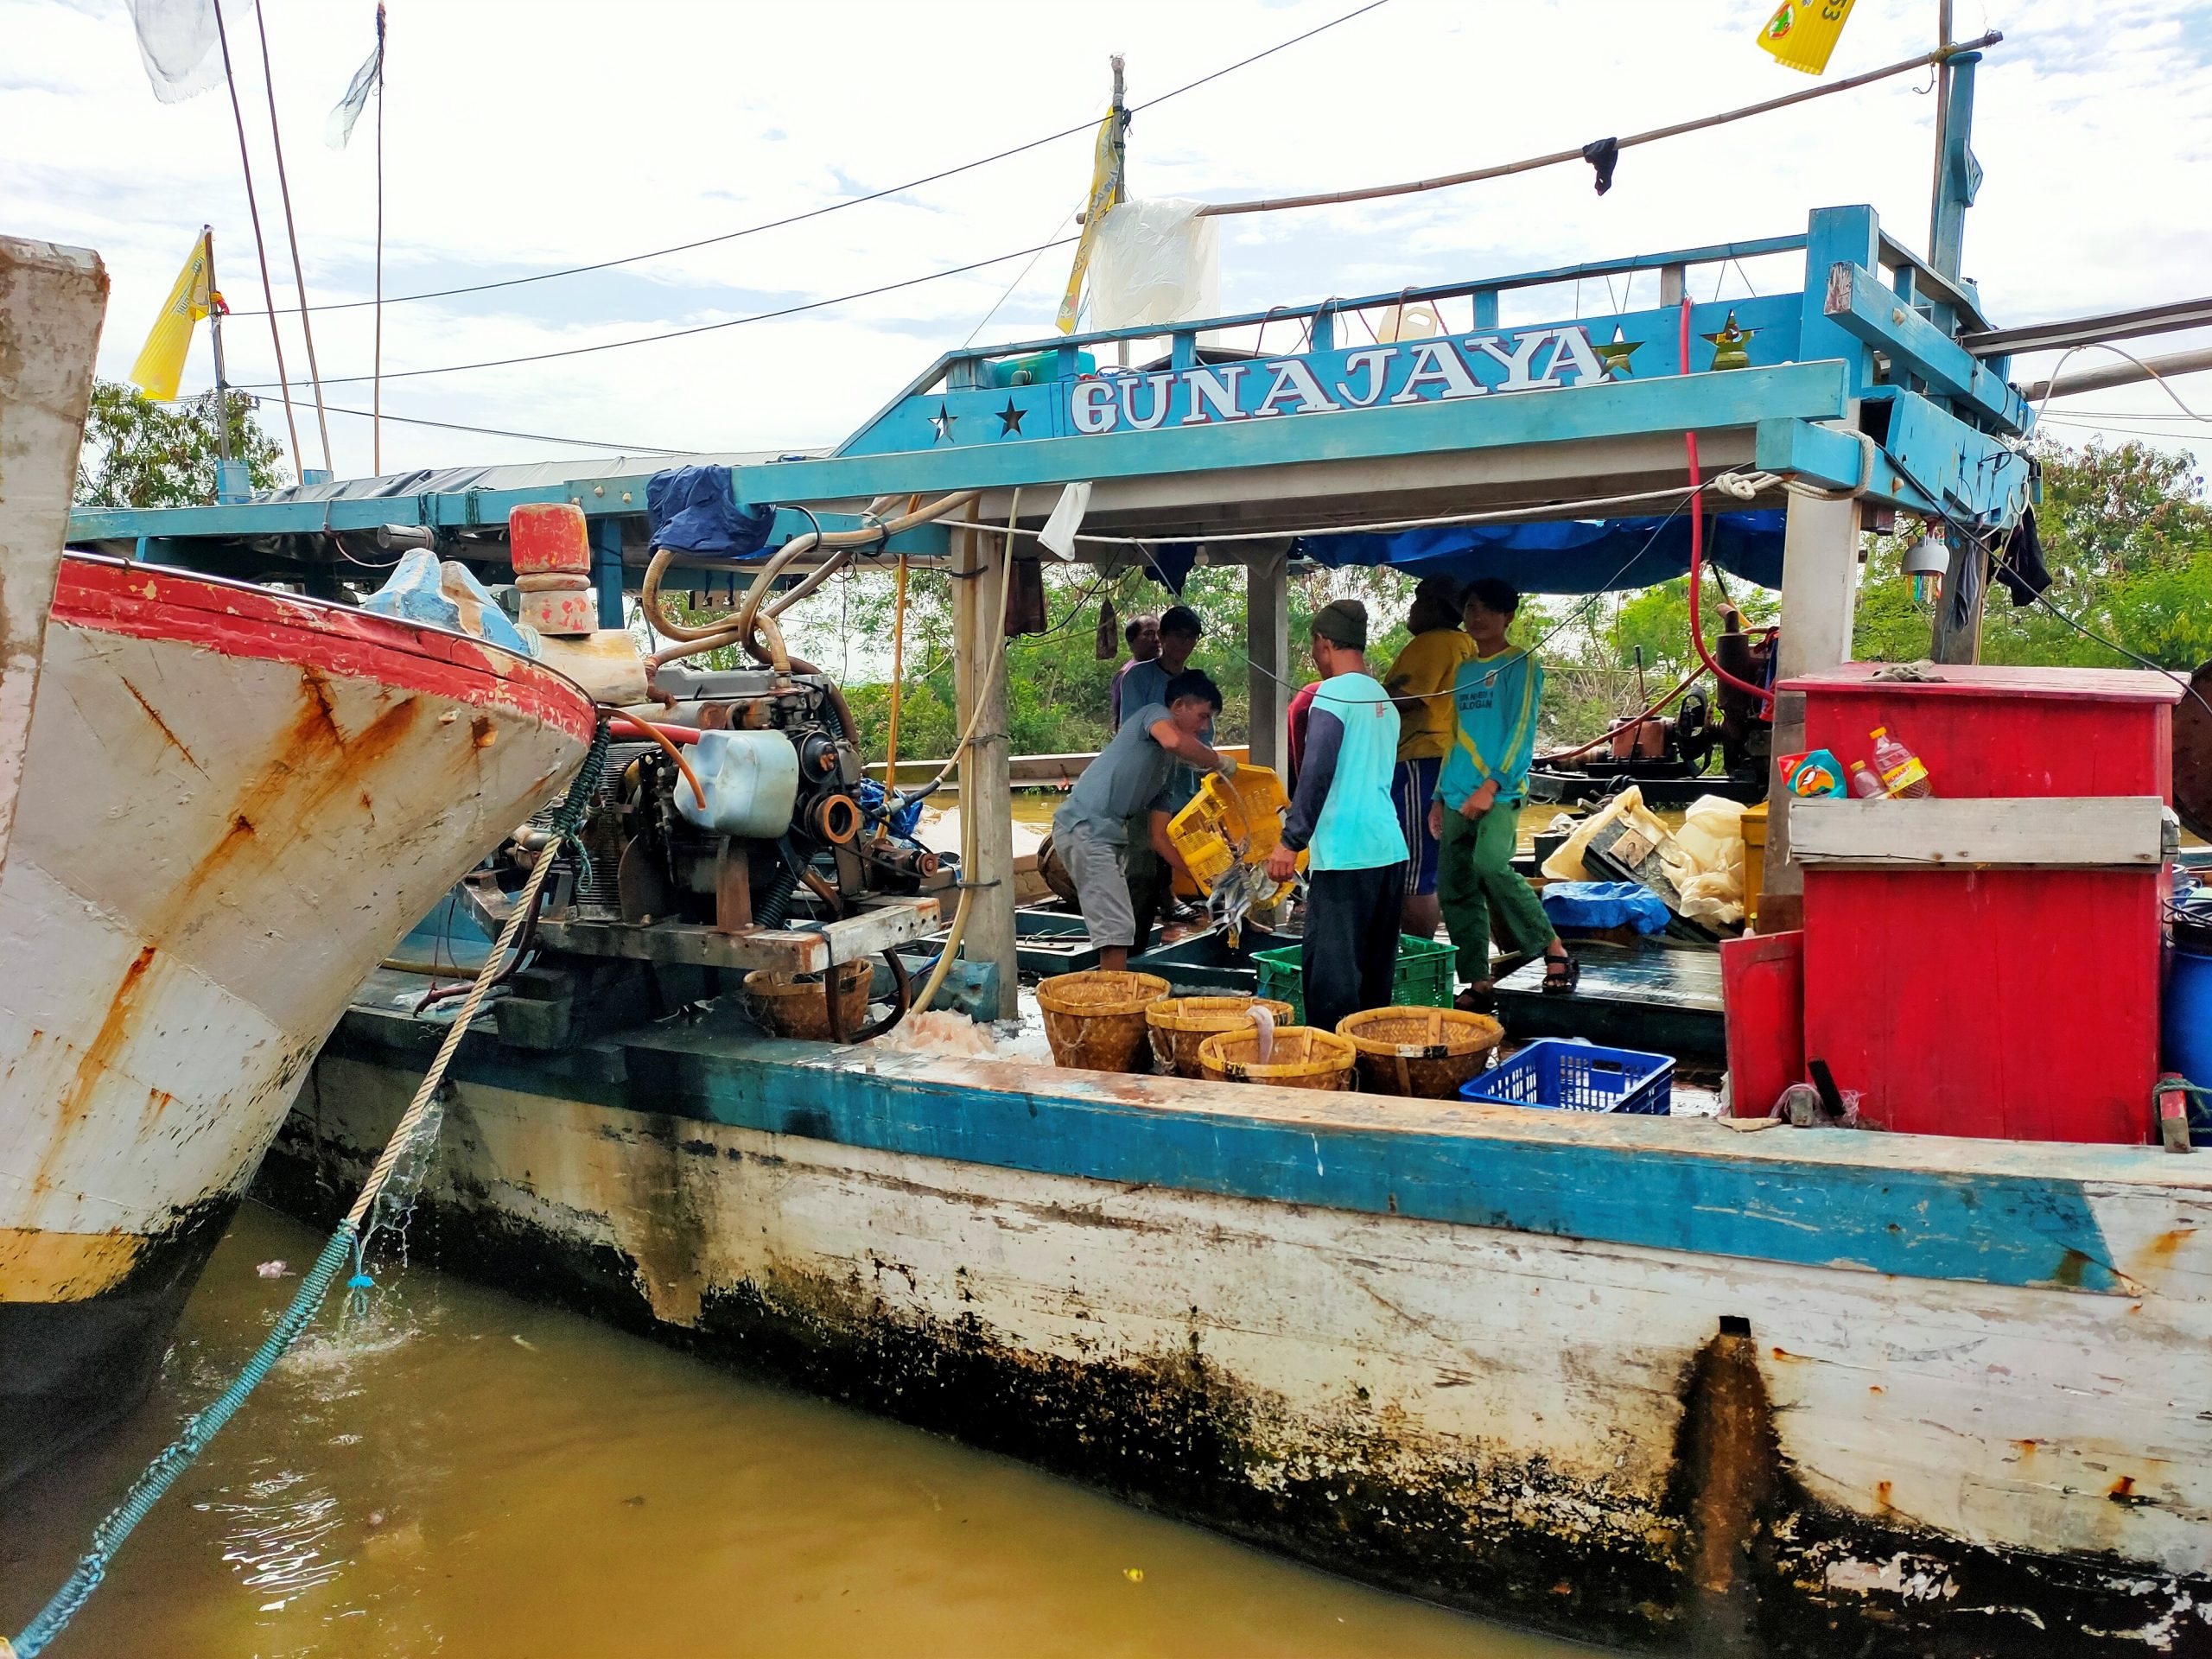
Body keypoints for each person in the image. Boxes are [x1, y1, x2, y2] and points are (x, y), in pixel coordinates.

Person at [1427, 578, 1575, 1007]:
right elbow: (1454, 735)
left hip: (1500, 791)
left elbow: (1521, 731)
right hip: (1455, 792)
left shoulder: (1522, 664)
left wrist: (1492, 785)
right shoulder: (1465, 671)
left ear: (1508, 616)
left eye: (1487, 610)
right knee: (1455, 887)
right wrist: (1438, 796)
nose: (1477, 618)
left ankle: (1553, 948)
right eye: (1471, 609)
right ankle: (1478, 981)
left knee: (1491, 867)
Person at [1265, 601, 1408, 1035]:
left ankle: (1337, 1072)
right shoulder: (1383, 697)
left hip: (1346, 854)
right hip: (1389, 850)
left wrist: (1291, 841)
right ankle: (1372, 1066)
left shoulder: (1333, 693)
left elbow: (1317, 770)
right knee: (1374, 976)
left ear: (1324, 644)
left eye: (1314, 647)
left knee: (1332, 979)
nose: (1314, 656)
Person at [1053, 671, 1235, 973]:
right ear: (1178, 706)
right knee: (1117, 929)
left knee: (1119, 925)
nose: (1204, 727)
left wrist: (1204, 879)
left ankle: (1116, 993)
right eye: (1202, 716)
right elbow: (1174, 740)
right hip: (1084, 826)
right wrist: (1217, 761)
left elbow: (1159, 839)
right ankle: (1116, 1005)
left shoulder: (1167, 769)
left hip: (1106, 834)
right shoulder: (1153, 715)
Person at [1382, 575, 1477, 944]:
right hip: (1454, 760)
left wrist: (1363, 691)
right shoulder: (1468, 644)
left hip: (1421, 759)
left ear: (1435, 607)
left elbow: (1404, 697)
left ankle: (1417, 953)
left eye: (1418, 600)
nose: (1413, 608)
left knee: (1416, 869)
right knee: (1440, 865)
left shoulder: (1432, 643)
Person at [1113, 604, 1206, 938]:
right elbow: (1138, 730)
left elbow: (1203, 736)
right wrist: (1182, 744)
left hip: (1182, 786)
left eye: (1192, 636)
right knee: (1140, 863)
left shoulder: (1196, 684)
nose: (1185, 643)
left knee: (1186, 856)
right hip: (1143, 785)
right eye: (1178, 635)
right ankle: (1129, 943)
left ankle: (1216, 926)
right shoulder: (1138, 677)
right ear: (1162, 638)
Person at [1107, 613, 1160, 731]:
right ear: (1131, 641)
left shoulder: (1164, 671)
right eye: (1148, 634)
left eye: (1159, 633)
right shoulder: (1127, 676)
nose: (1156, 639)